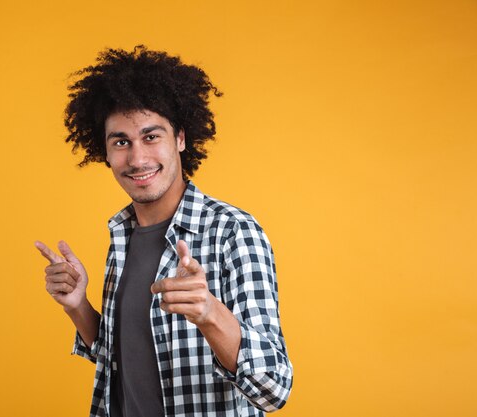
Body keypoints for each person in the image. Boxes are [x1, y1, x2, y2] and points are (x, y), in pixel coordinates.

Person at [35, 45, 293, 417]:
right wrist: (78, 306)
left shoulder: (233, 232)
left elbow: (274, 388)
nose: (137, 159)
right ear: (105, 152)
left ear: (181, 139)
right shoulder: (122, 236)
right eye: (121, 142)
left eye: (151, 136)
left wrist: (210, 315)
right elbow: (118, 362)